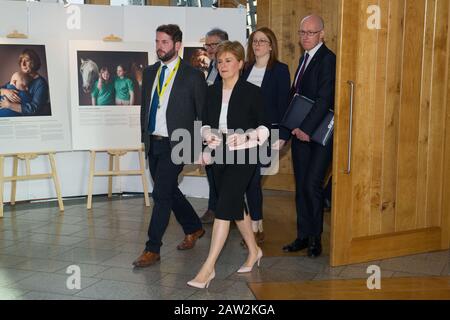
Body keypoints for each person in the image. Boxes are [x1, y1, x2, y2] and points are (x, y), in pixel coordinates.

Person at [187, 41, 269, 289]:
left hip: (244, 157)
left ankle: (207, 268)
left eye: (229, 60)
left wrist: (246, 136)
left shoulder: (252, 92)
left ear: (241, 64)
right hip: (219, 156)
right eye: (220, 61)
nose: (223, 65)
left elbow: (266, 129)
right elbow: (203, 123)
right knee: (235, 205)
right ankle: (254, 250)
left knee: (224, 208)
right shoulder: (211, 91)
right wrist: (206, 138)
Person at [133, 24, 207, 268]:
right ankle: (194, 227)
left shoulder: (193, 75)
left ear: (177, 45)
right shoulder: (151, 72)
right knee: (169, 190)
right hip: (154, 142)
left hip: (178, 143)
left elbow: (202, 114)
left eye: (164, 42)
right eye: (157, 41)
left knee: (161, 194)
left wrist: (198, 147)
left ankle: (152, 248)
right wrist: (145, 137)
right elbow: (146, 108)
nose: (159, 47)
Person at [274, 15, 336, 258]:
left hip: (319, 136)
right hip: (300, 133)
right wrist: (287, 130)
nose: (305, 37)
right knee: (300, 187)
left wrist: (306, 129)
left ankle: (315, 240)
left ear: (322, 34)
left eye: (310, 33)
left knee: (312, 186)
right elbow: (295, 95)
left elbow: (324, 100)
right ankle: (302, 236)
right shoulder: (304, 58)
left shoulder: (328, 59)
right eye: (302, 32)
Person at [241, 27, 291, 245]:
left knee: (253, 179)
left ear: (271, 45)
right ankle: (255, 224)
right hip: (244, 134)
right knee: (250, 180)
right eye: (254, 41)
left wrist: (282, 134)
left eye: (262, 41)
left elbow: (284, 105)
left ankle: (255, 225)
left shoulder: (280, 70)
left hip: (268, 134)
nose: (257, 45)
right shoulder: (246, 69)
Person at [200, 28, 229, 224]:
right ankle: (214, 207)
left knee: (222, 172)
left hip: (224, 127)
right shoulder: (211, 67)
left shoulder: (228, 68)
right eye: (207, 45)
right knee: (211, 170)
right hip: (209, 125)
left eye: (214, 45)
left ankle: (224, 209)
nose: (210, 49)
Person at [0, 48, 50, 116]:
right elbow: (2, 89)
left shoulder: (41, 84)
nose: (23, 64)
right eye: (21, 61)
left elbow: (34, 109)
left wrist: (9, 105)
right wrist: (5, 91)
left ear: (34, 62)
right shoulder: (19, 77)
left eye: (26, 61)